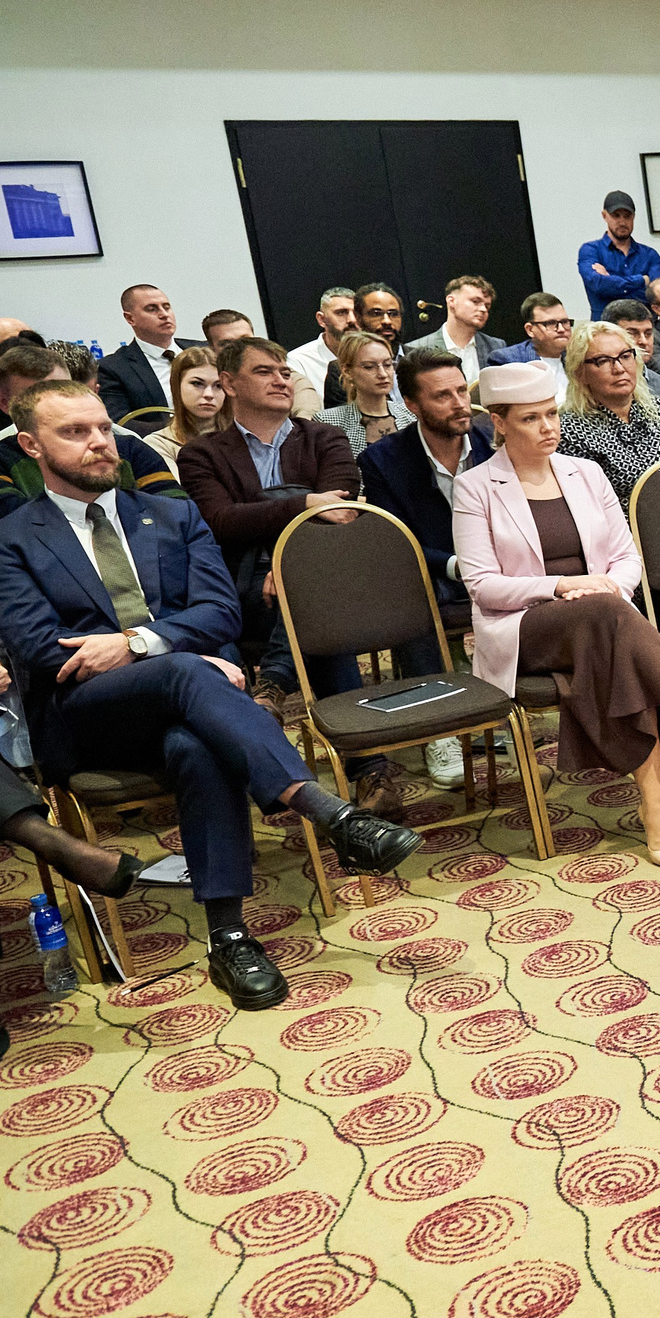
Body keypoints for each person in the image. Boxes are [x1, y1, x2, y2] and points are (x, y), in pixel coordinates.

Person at [0, 380, 421, 1008]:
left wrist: (139, 645)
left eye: (102, 428)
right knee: (189, 673)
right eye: (74, 433)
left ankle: (228, 937)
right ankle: (329, 812)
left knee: (196, 745)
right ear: (32, 445)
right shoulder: (11, 537)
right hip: (84, 716)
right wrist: (154, 650)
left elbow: (221, 613)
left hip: (188, 707)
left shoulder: (171, 515)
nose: (97, 443)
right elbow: (42, 649)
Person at [453, 363, 660, 868]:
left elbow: (626, 559)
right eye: (531, 419)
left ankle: (655, 802)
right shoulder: (475, 488)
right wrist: (563, 585)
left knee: (613, 634)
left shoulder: (586, 472)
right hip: (525, 627)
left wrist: (605, 589)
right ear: (499, 423)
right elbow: (483, 586)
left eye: (552, 414)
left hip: (601, 620)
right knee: (611, 617)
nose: (549, 426)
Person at [178, 338, 398, 805]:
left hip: (323, 577)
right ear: (229, 384)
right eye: (264, 372)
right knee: (321, 618)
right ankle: (371, 772)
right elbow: (221, 522)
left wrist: (285, 554)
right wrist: (303, 502)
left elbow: (342, 512)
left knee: (314, 602)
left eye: (284, 371)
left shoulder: (323, 437)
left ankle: (275, 683)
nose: (281, 379)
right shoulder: (203, 454)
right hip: (247, 590)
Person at [362, 351, 494, 791]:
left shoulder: (496, 441)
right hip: (435, 568)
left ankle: (501, 709)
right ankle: (441, 730)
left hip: (502, 562)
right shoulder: (382, 460)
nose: (460, 404)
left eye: (462, 390)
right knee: (408, 591)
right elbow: (397, 540)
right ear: (412, 405)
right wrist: (458, 565)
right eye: (443, 396)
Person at [0, 345, 188, 516]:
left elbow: (180, 516)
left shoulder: (129, 446)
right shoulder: (4, 456)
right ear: (5, 404)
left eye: (64, 388)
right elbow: (16, 529)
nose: (100, 442)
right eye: (36, 395)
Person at [556, 321, 660, 505]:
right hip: (622, 530)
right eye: (603, 361)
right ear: (580, 373)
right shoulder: (569, 431)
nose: (619, 368)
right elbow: (587, 507)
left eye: (625, 356)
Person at [98, 284, 200, 430]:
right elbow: (119, 422)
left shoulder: (203, 351)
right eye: (152, 309)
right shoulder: (114, 368)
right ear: (130, 318)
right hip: (162, 445)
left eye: (167, 307)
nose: (164, 314)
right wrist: (178, 431)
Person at [314, 331, 409, 458]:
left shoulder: (411, 415)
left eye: (388, 365)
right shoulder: (327, 422)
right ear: (347, 371)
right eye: (369, 367)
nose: (383, 374)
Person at [579, 189, 660, 319]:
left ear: (634, 217)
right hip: (605, 329)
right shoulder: (590, 250)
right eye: (616, 215)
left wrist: (611, 281)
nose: (622, 222)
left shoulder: (649, 255)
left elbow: (659, 295)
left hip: (645, 329)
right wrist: (642, 280)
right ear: (604, 216)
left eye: (627, 216)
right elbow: (598, 285)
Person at [404, 275, 499, 383]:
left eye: (487, 306)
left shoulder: (495, 346)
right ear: (451, 301)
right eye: (475, 301)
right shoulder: (416, 349)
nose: (483, 309)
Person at [489, 293, 577, 401]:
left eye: (564, 322)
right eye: (551, 323)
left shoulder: (578, 359)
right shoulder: (508, 361)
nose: (561, 329)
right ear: (530, 330)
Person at [287, 287, 358, 416]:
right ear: (321, 319)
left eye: (356, 312)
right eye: (341, 313)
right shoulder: (298, 361)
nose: (352, 320)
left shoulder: (376, 354)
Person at [602, 299, 660, 404]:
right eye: (632, 333)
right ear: (609, 335)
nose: (643, 341)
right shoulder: (596, 384)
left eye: (648, 333)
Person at [156, 346, 231, 460]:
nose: (209, 394)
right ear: (177, 385)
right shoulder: (159, 443)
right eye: (197, 383)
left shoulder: (246, 438)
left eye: (218, 386)